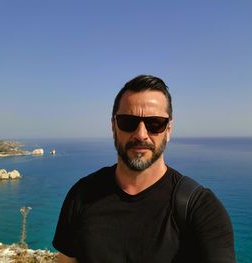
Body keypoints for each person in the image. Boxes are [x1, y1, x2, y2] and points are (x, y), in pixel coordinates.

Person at [52, 75, 236, 263]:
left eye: (155, 123)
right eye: (128, 122)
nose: (141, 134)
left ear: (169, 130)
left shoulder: (201, 209)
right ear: (113, 127)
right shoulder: (82, 195)